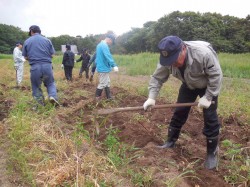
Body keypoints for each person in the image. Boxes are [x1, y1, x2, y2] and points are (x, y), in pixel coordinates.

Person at [143, 36, 223, 170]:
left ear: (183, 49)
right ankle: (170, 142)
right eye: (169, 61)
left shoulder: (203, 54)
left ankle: (212, 153)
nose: (172, 63)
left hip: (208, 85)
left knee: (210, 117)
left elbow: (216, 76)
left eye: (174, 59)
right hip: (188, 84)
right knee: (179, 112)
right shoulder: (167, 60)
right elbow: (157, 78)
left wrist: (208, 97)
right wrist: (151, 97)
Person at [22, 25, 59, 107]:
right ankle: (53, 96)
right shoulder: (47, 40)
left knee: (36, 85)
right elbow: (52, 54)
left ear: (31, 31)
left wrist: (32, 58)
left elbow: (25, 57)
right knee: (50, 83)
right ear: (39, 31)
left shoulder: (27, 41)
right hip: (47, 66)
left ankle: (39, 103)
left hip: (35, 67)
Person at [95, 34, 119, 100]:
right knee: (102, 83)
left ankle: (109, 97)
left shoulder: (99, 45)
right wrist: (114, 65)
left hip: (101, 67)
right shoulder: (104, 45)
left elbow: (97, 57)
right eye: (111, 42)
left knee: (107, 82)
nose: (111, 43)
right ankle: (97, 97)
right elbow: (108, 56)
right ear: (109, 39)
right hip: (103, 68)